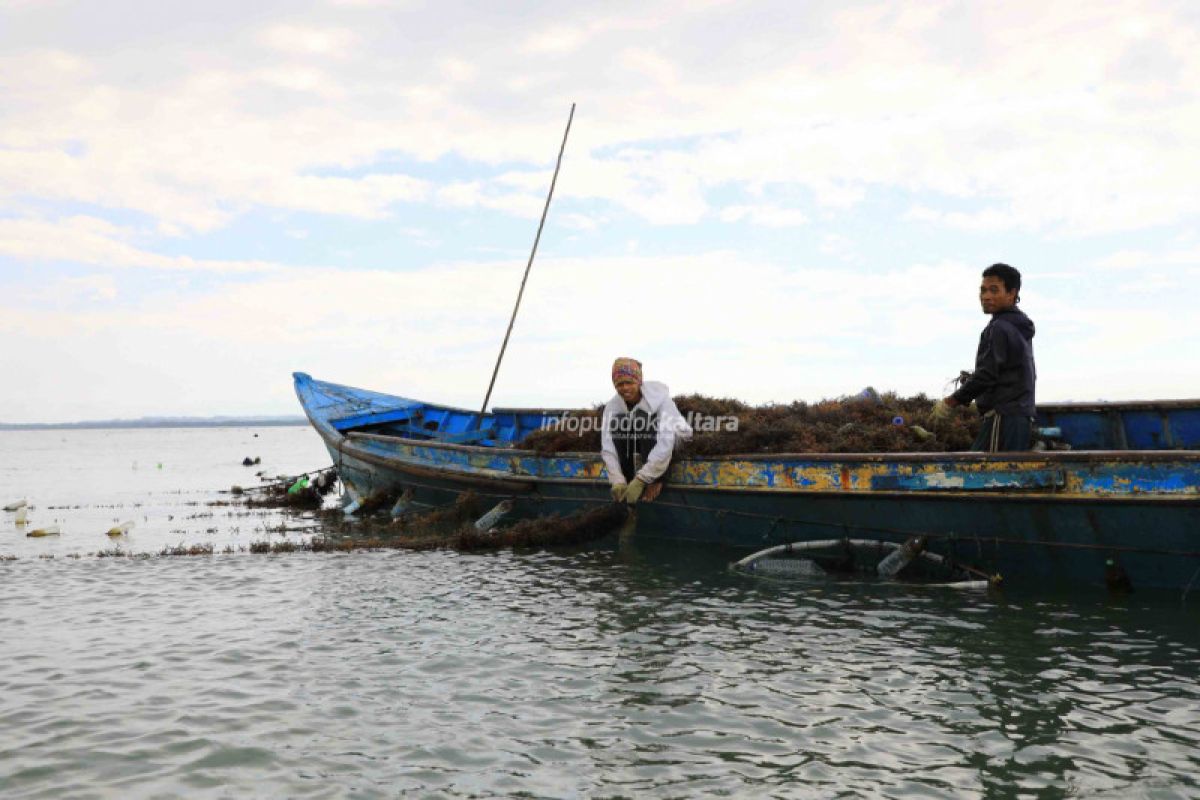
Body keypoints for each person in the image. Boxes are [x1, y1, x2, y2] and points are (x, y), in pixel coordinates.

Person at [939, 263, 1036, 452]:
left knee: (982, 473)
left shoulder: (999, 328)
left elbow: (987, 374)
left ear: (1012, 293)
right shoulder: (1016, 326)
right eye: (983, 290)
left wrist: (954, 400)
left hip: (1003, 417)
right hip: (1017, 416)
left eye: (994, 290)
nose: (986, 296)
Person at [601, 357, 692, 504]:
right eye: (619, 384)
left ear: (639, 381)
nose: (624, 388)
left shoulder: (660, 400)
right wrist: (617, 479)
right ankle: (627, 482)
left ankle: (657, 479)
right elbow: (608, 446)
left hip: (675, 441)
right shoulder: (612, 407)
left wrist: (644, 478)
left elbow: (666, 442)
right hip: (643, 439)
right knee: (618, 424)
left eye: (629, 383)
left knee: (642, 421)